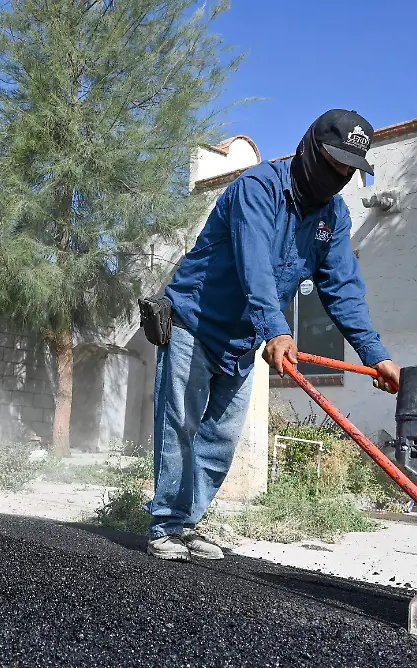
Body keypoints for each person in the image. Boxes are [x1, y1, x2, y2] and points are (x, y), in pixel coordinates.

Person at [147, 109, 401, 563]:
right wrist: (278, 331)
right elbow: (255, 265)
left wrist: (374, 355)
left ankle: (188, 525)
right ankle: (165, 524)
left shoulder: (334, 216)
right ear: (309, 148)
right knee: (181, 426)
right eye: (335, 162)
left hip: (244, 340)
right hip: (196, 323)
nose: (340, 175)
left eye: (350, 168)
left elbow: (342, 288)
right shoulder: (258, 188)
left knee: (221, 437)